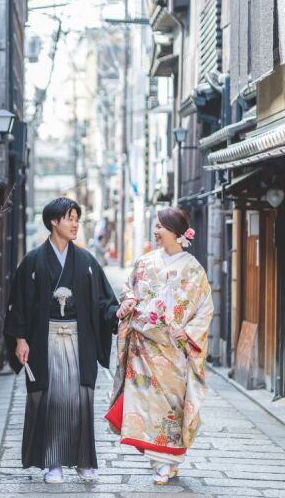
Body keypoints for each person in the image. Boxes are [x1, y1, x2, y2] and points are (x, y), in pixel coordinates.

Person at [3, 197, 119, 484]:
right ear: (54, 222)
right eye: (69, 218)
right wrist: (20, 339)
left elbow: (104, 301)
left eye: (77, 218)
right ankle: (52, 462)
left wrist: (119, 313)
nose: (75, 223)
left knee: (80, 399)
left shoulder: (87, 261)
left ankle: (82, 461)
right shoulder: (33, 261)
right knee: (50, 400)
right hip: (45, 340)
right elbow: (19, 304)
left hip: (80, 341)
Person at [106, 207, 213, 485]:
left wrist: (187, 333)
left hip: (175, 349)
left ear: (177, 232)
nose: (155, 231)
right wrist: (128, 301)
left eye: (160, 227)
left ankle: (170, 459)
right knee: (145, 405)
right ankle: (160, 462)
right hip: (144, 347)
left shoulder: (193, 269)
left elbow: (204, 311)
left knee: (172, 407)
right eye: (155, 226)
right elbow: (130, 289)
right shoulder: (144, 263)